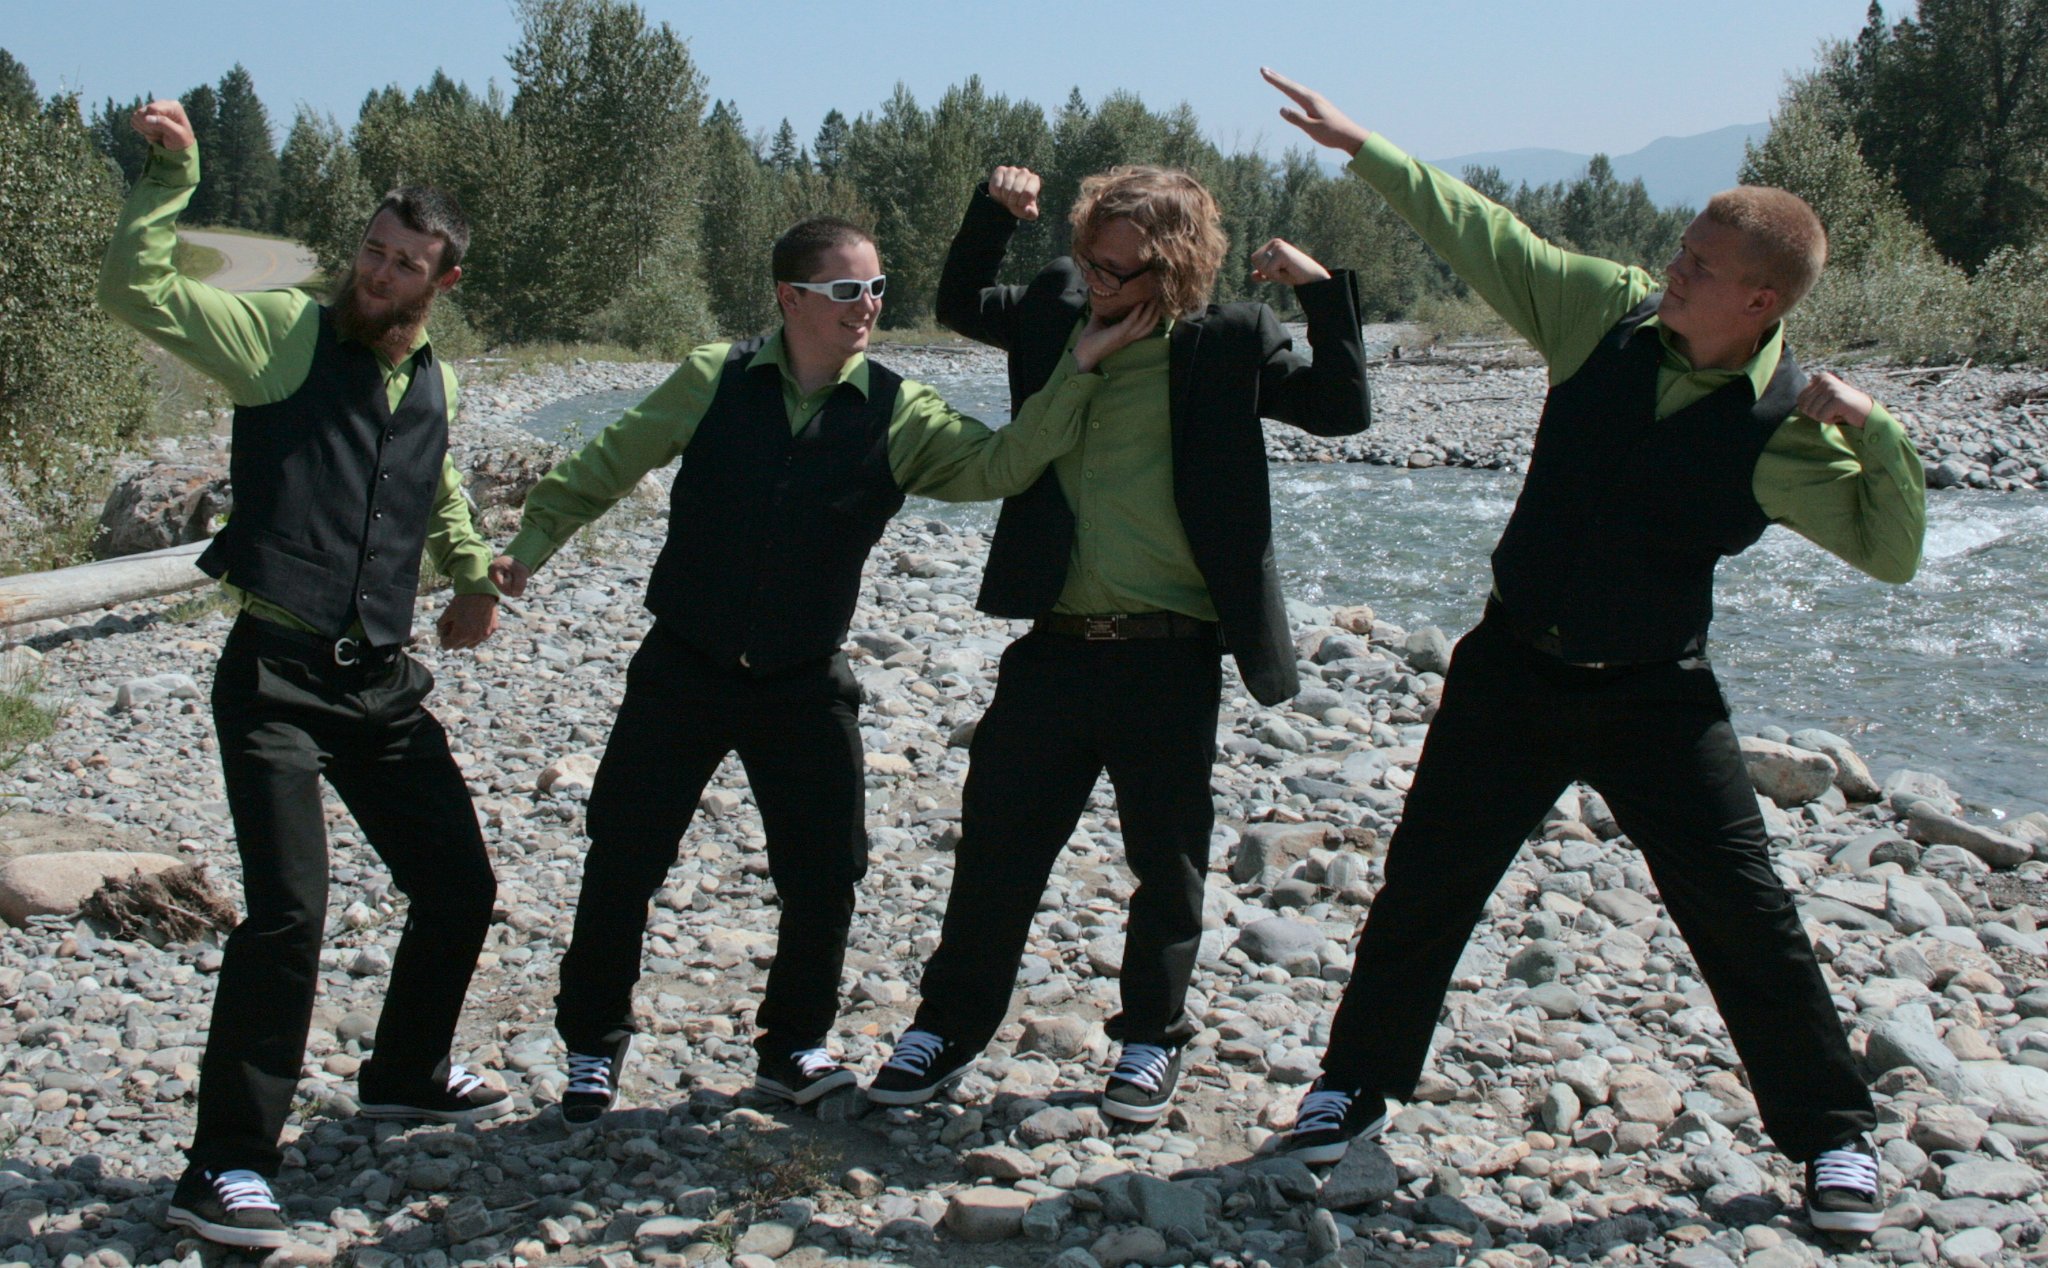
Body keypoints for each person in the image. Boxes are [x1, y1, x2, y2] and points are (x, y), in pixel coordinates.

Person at [1258, 71, 1925, 1234]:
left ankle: (1831, 1134)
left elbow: (1890, 549)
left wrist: (1879, 431)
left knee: (1743, 911)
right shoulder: (1599, 315)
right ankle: (1351, 1086)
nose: (1673, 268)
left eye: (1699, 265)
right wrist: (1361, 144)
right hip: (1510, 667)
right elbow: (1485, 233)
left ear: (1760, 299)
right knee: (1425, 881)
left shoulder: (1783, 432)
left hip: (1654, 694)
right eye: (1679, 249)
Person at [488, 216, 1153, 1123]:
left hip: (804, 676)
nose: (867, 305)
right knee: (624, 857)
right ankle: (593, 1047)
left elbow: (999, 465)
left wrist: (1076, 370)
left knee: (826, 870)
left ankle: (793, 1048)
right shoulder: (713, 377)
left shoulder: (900, 410)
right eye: (846, 290)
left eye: (876, 288)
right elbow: (610, 462)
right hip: (683, 665)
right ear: (789, 298)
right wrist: (528, 547)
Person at [866, 164, 1372, 1124]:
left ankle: (1150, 1039)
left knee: (1167, 862)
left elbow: (1343, 409)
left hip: (1168, 654)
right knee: (997, 848)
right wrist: (991, 213)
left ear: (1173, 269)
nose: (1096, 280)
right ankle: (946, 1028)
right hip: (1054, 644)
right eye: (1090, 260)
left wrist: (1317, 291)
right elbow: (960, 302)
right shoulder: (1059, 311)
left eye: (1119, 270)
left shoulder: (1228, 340)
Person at [99, 100, 510, 1251]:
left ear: (443, 282)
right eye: (372, 250)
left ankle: (405, 1070)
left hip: (378, 681)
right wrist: (168, 181)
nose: (377, 274)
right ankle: (223, 1165)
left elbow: (436, 486)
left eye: (404, 263)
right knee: (289, 915)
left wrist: (470, 573)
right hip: (276, 677)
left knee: (460, 885)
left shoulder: (433, 379)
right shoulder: (282, 335)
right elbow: (139, 292)